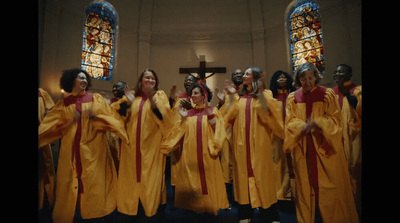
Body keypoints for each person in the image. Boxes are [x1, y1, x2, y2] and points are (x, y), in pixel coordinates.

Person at [38, 69, 129, 223]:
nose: (84, 80)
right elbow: (50, 128)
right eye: (80, 77)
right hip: (70, 153)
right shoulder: (63, 104)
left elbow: (112, 120)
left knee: (96, 184)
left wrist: (96, 116)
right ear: (71, 81)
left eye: (85, 78)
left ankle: (97, 214)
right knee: (70, 186)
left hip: (94, 152)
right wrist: (70, 121)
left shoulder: (95, 99)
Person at [283, 62, 359, 223]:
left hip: (324, 148)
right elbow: (289, 122)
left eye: (310, 78)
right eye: (303, 79)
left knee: (330, 188)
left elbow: (335, 121)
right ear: (298, 80)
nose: (307, 82)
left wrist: (318, 123)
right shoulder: (293, 98)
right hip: (303, 148)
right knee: (304, 188)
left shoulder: (327, 94)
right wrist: (303, 126)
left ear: (316, 77)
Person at [161, 82, 229, 221]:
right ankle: (196, 209)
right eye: (192, 93)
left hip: (207, 154)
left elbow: (219, 132)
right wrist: (183, 118)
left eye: (196, 93)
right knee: (193, 183)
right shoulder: (188, 114)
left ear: (204, 96)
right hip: (190, 154)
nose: (192, 95)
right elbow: (179, 133)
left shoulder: (212, 111)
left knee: (208, 182)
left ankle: (209, 209)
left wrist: (210, 117)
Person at [224, 67, 284, 223]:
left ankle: (270, 214)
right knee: (242, 178)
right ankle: (245, 213)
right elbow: (228, 116)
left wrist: (261, 91)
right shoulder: (238, 97)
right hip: (241, 145)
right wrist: (230, 96)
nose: (243, 76)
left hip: (260, 145)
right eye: (244, 73)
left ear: (256, 77)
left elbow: (269, 114)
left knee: (264, 178)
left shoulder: (266, 94)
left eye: (247, 74)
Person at [117, 68, 174, 221]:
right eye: (147, 78)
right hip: (131, 148)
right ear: (140, 81)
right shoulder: (132, 97)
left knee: (151, 183)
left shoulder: (159, 96)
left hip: (152, 149)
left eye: (153, 79)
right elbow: (119, 120)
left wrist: (152, 102)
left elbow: (167, 121)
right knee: (130, 182)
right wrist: (126, 104)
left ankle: (151, 212)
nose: (150, 81)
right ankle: (132, 212)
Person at [332, 64, 362, 213]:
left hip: (353, 137)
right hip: (336, 137)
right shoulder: (330, 93)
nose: (338, 74)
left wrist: (347, 95)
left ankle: (356, 205)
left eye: (342, 71)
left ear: (349, 75)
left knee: (354, 170)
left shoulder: (357, 90)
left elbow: (359, 110)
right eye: (336, 72)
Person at [269, 70, 297, 220]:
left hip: (293, 134)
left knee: (294, 163)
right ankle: (281, 195)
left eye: (284, 77)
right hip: (276, 137)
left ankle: (295, 194)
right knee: (279, 164)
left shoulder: (294, 95)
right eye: (278, 77)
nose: (281, 79)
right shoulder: (272, 97)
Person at [106, 81, 135, 173]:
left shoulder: (130, 99)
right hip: (112, 136)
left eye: (117, 87)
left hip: (126, 135)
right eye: (113, 87)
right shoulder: (110, 102)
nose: (114, 89)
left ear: (125, 88)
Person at [38, 88, 56, 221]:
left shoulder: (41, 93)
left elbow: (51, 113)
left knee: (44, 172)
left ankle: (45, 204)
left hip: (41, 138)